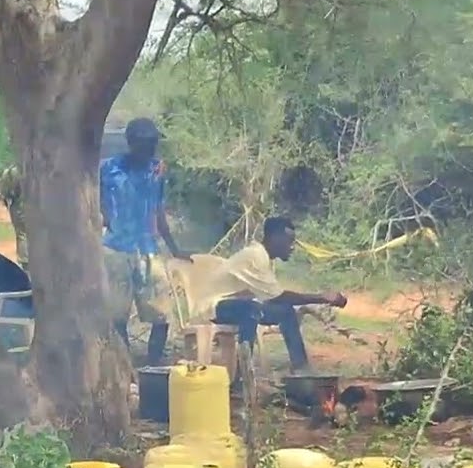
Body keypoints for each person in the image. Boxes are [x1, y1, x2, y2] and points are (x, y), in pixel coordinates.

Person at [202, 216, 346, 372]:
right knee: (251, 310)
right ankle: (243, 372)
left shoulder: (262, 257)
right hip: (212, 306)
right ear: (275, 238)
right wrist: (322, 298)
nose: (292, 247)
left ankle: (301, 368)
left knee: (285, 312)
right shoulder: (255, 256)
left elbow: (273, 298)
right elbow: (279, 296)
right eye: (289, 241)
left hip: (232, 304)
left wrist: (310, 306)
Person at [100, 117, 185, 366]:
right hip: (116, 249)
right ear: (131, 143)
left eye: (153, 144)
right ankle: (125, 367)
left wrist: (174, 249)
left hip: (148, 250)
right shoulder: (109, 169)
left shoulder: (156, 170)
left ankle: (153, 365)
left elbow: (159, 211)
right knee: (117, 316)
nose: (150, 149)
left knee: (161, 314)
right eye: (145, 144)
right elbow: (96, 200)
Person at [0, 165, 28, 267]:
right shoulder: (35, 168)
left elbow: (5, 193)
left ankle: (25, 261)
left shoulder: (10, 172)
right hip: (35, 205)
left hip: (18, 205)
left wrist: (7, 204)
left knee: (21, 234)